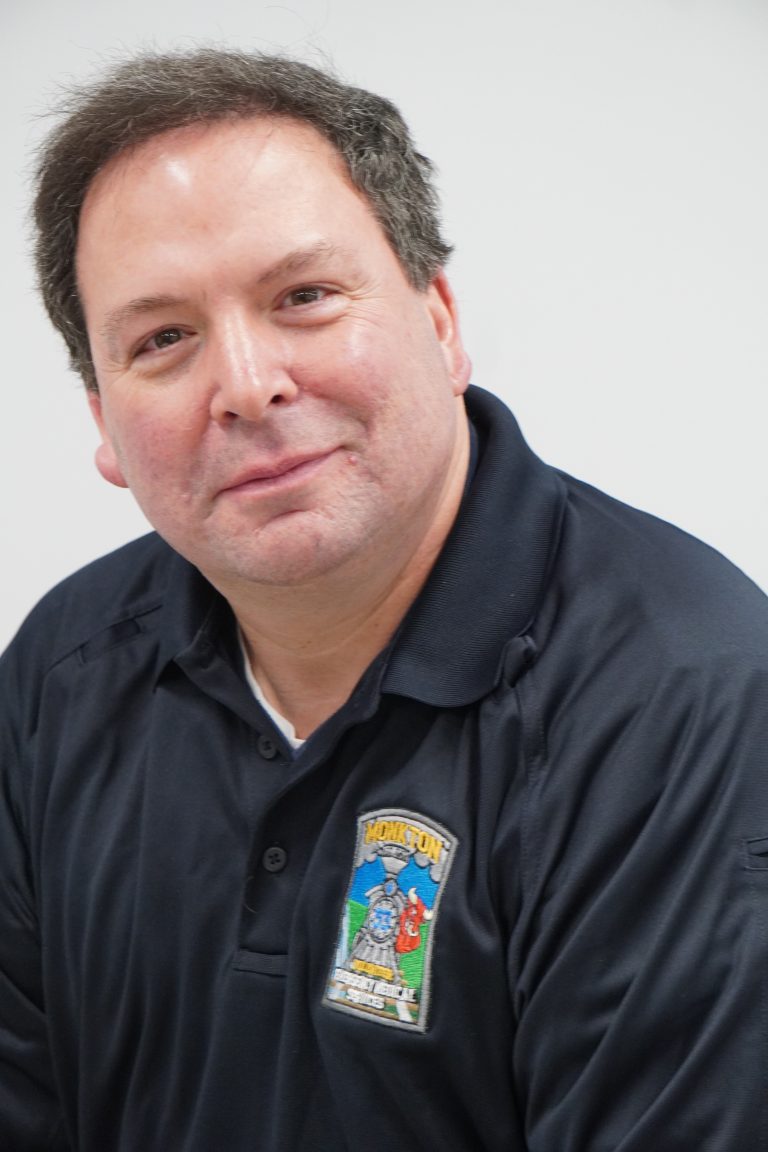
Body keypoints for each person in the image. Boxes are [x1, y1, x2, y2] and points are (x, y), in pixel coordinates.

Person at [1, 48, 767, 1152]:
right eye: (162, 339)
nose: (247, 384)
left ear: (441, 319)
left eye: (304, 296)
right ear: (103, 422)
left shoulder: (683, 706)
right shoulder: (61, 672)